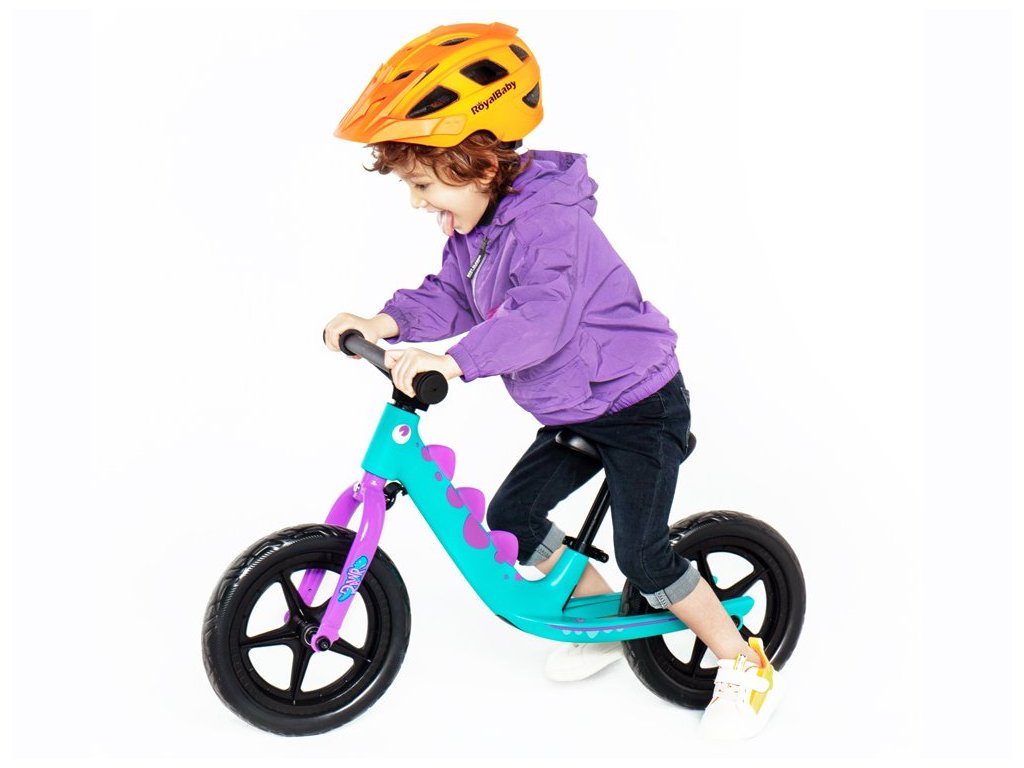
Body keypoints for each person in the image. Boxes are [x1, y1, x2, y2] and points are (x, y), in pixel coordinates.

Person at [325, 21, 782, 739]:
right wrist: (386, 322)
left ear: (476, 166)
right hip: (575, 407)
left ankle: (743, 662)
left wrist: (455, 361)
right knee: (513, 518)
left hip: (637, 406)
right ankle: (594, 618)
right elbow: (452, 294)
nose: (417, 201)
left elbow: (541, 317)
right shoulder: (474, 228)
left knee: (644, 555)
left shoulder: (548, 224)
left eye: (422, 183)